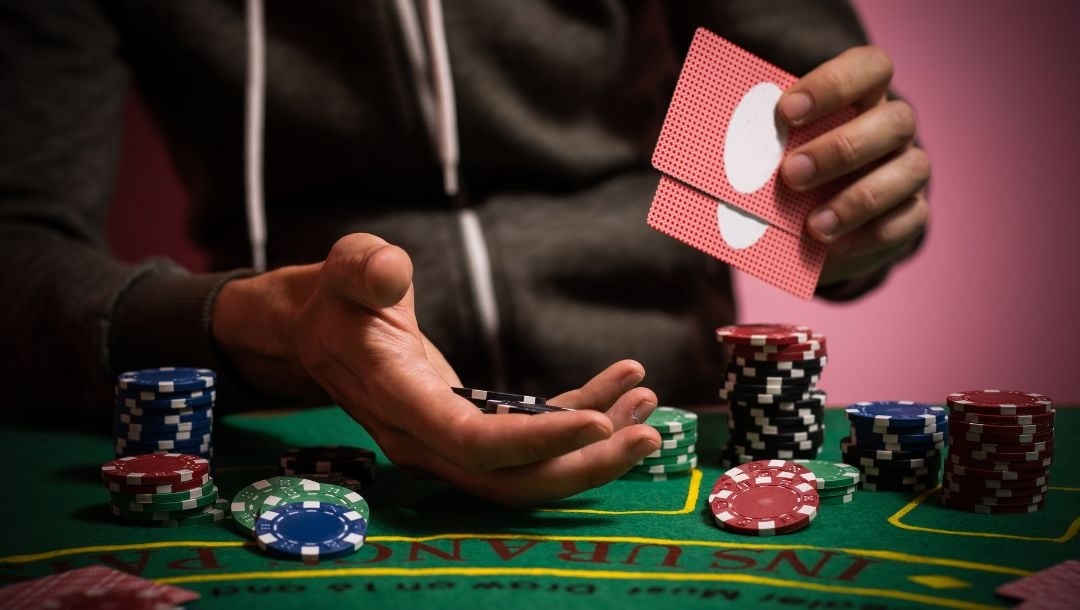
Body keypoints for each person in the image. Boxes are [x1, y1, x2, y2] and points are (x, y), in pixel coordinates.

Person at [0, 1, 929, 506]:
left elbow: (827, 158)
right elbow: (17, 250)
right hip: (299, 439)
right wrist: (265, 323)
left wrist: (850, 217)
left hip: (666, 430)